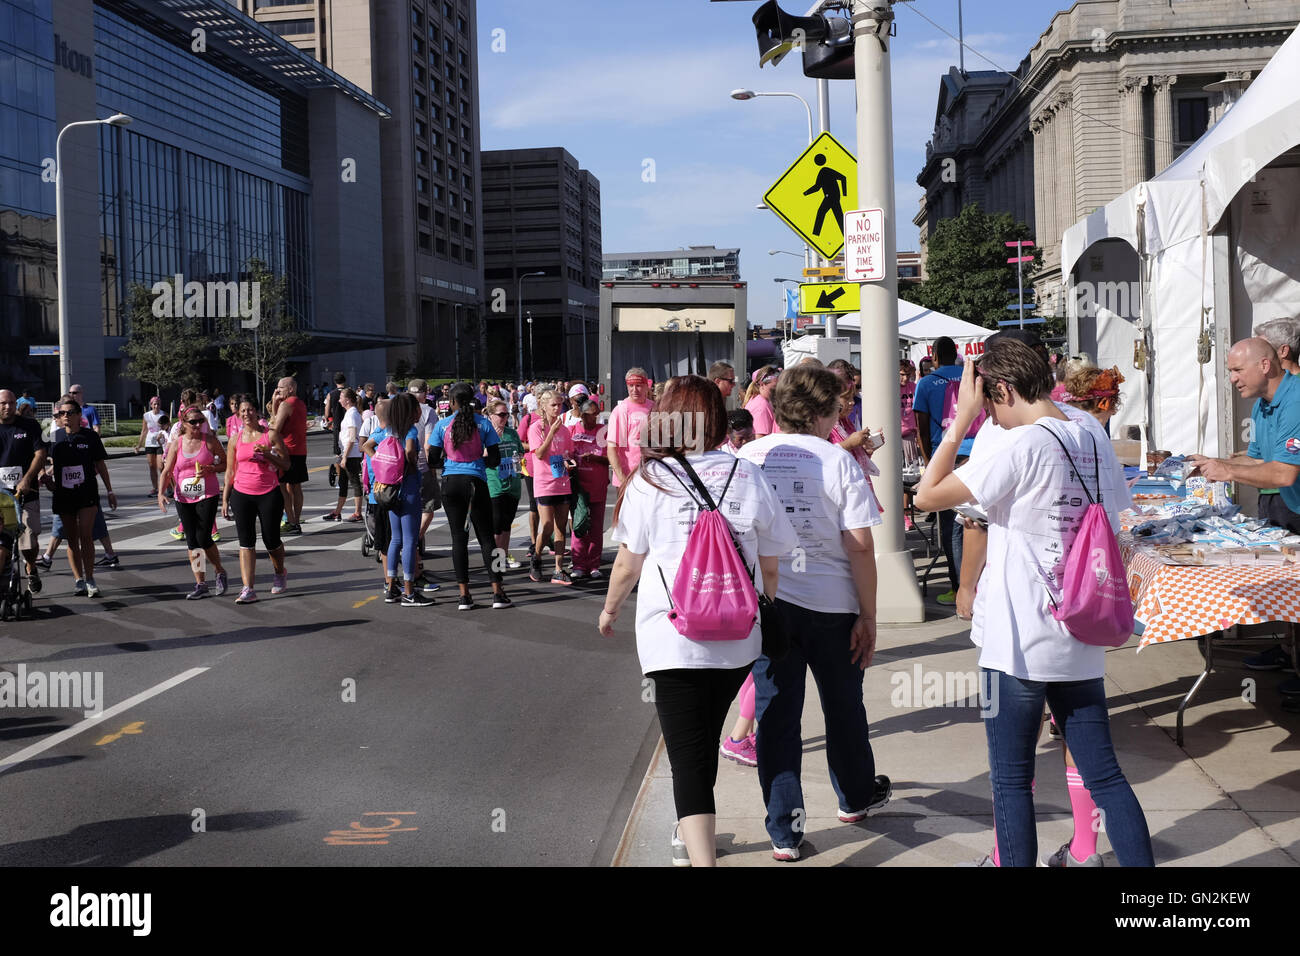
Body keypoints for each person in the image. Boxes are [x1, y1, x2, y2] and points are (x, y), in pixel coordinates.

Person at [914, 338, 1154, 867]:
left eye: (989, 404)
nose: (991, 419)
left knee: (1012, 779)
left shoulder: (1021, 443)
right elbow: (1119, 514)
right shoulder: (1089, 433)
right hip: (1080, 629)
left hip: (1018, 638)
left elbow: (926, 495)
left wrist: (960, 423)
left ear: (1000, 390)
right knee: (1106, 774)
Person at [599, 375, 798, 866]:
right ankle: (689, 833)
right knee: (703, 740)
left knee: (688, 752)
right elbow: (772, 560)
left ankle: (699, 855)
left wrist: (609, 610)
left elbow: (628, 562)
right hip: (736, 638)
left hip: (671, 637)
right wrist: (761, 599)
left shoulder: (650, 479)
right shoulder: (747, 474)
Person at [737, 364, 890, 860]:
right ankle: (853, 797)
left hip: (770, 607)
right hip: (832, 603)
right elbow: (861, 546)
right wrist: (869, 616)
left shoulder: (748, 456)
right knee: (844, 706)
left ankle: (785, 829)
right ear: (825, 411)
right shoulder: (837, 459)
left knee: (777, 717)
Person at [1190, 337, 1300, 696]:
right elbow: (1257, 459)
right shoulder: (1263, 405)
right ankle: (1290, 653)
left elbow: (1284, 474)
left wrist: (1228, 472)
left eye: (1237, 370)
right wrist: (1211, 464)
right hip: (1288, 507)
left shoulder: (1296, 399)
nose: (1233, 379)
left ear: (1265, 366)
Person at [429, 384, 510, 610]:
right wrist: (475, 462)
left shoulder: (443, 425)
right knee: (487, 538)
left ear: (452, 402)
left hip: (451, 483)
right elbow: (494, 459)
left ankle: (464, 595)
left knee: (458, 538)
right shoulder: (483, 423)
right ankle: (498, 591)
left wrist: (451, 462)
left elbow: (433, 458)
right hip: (476, 481)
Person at [912, 337, 971, 606]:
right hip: (978, 451)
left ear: (934, 356)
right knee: (982, 521)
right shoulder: (971, 377)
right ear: (956, 354)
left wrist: (928, 462)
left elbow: (921, 428)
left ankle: (959, 587)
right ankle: (977, 584)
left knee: (951, 526)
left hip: (946, 454)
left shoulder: (925, 383)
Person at [363, 392, 432, 607]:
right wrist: (407, 462)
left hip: (390, 490)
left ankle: (391, 586)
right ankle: (409, 591)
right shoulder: (410, 430)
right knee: (411, 541)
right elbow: (411, 450)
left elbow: (366, 446)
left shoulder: (387, 431)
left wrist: (382, 463)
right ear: (412, 411)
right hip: (408, 487)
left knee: (396, 539)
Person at [222, 397, 291, 603]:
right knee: (246, 542)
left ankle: (279, 573)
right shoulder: (235, 439)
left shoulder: (270, 435)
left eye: (250, 410)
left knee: (271, 540)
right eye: (242, 411)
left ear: (257, 412)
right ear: (238, 414)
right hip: (242, 494)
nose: (246, 414)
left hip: (268, 493)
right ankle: (247, 588)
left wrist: (268, 455)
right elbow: (229, 471)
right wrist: (225, 498)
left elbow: (286, 464)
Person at [158, 406, 229, 599]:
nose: (198, 425)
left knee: (203, 537)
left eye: (201, 421)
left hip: (207, 494)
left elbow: (226, 463)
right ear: (183, 423)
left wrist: (211, 469)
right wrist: (161, 493)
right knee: (192, 541)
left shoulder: (210, 441)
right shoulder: (177, 444)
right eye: (193, 422)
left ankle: (220, 571)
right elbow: (166, 470)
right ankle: (201, 583)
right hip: (183, 496)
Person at [49, 396, 115, 597]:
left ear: (79, 416)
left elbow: (100, 465)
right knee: (71, 539)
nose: (65, 417)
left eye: (69, 413)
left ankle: (90, 578)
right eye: (61, 414)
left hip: (87, 492)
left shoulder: (90, 437)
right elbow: (45, 462)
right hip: (64, 494)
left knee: (86, 535)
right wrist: (44, 476)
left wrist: (110, 491)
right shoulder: (54, 437)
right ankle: (78, 579)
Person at [0, 389, 47, 594]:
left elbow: (40, 453)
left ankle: (31, 567)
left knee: (27, 539)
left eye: (11, 403)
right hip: (1, 495)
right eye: (3, 403)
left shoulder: (29, 425)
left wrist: (27, 479)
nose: (7, 407)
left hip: (25, 493)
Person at [527, 388, 576, 585]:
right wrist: (551, 433)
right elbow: (538, 454)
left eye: (559, 405)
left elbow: (568, 452)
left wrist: (568, 461)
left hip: (562, 480)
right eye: (553, 405)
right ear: (544, 406)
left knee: (560, 527)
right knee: (546, 525)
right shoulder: (536, 428)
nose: (557, 408)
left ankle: (558, 569)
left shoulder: (565, 430)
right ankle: (536, 558)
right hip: (544, 482)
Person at [570, 400, 610, 580]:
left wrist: (594, 458)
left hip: (598, 485)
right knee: (579, 525)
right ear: (582, 414)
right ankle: (578, 564)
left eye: (597, 414)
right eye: (590, 414)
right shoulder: (573, 430)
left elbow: (611, 458)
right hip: (578, 486)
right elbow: (566, 454)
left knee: (595, 528)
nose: (594, 418)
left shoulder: (603, 431)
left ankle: (594, 565)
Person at [408, 379, 442, 590]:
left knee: (409, 512)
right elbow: (429, 444)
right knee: (428, 508)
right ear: (425, 392)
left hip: (401, 468)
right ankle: (413, 542)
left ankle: (410, 545)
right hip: (421, 465)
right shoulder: (428, 411)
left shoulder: (398, 407)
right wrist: (431, 466)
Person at [484, 398, 524, 570]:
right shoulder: (485, 434)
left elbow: (520, 453)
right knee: (496, 524)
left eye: (507, 414)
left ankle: (504, 556)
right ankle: (496, 561)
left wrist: (520, 461)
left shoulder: (512, 433)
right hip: (494, 484)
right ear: (491, 415)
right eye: (501, 415)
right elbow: (481, 456)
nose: (505, 418)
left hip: (513, 482)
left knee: (507, 523)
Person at [269, 376, 308, 534]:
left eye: (280, 388)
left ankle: (291, 520)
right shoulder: (300, 403)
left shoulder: (287, 404)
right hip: (299, 450)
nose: (278, 391)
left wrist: (274, 407)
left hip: (286, 451)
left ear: (290, 389)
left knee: (282, 485)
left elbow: (275, 428)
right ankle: (296, 521)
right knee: (296, 486)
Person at [606, 368, 655, 490]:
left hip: (651, 477)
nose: (634, 390)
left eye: (638, 385)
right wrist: (623, 480)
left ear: (646, 386)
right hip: (627, 477)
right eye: (631, 385)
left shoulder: (655, 407)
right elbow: (612, 449)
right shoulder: (621, 410)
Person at [323, 388, 364, 522]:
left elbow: (352, 438)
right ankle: (337, 511)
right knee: (343, 482)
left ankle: (358, 512)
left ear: (347, 400)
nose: (339, 400)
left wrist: (345, 456)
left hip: (351, 454)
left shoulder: (352, 414)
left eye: (341, 397)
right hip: (347, 453)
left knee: (354, 482)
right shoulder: (350, 413)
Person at [900, 359, 919, 528]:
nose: (905, 379)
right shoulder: (890, 388)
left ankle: (907, 514)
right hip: (895, 438)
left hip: (911, 437)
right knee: (897, 480)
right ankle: (903, 515)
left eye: (908, 375)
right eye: (901, 375)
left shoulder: (914, 388)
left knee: (909, 479)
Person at [134, 396, 166, 494]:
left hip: (160, 443)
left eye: (158, 404)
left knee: (161, 466)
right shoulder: (146, 415)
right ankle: (155, 488)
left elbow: (167, 428)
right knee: (152, 466)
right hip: (149, 443)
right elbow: (144, 430)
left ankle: (167, 486)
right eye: (154, 404)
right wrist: (139, 445)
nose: (156, 406)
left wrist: (162, 435)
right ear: (151, 405)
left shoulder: (163, 414)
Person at [744, 366, 781, 438]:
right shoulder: (762, 406)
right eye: (774, 388)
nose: (777, 391)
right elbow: (760, 439)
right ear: (762, 385)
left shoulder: (757, 399)